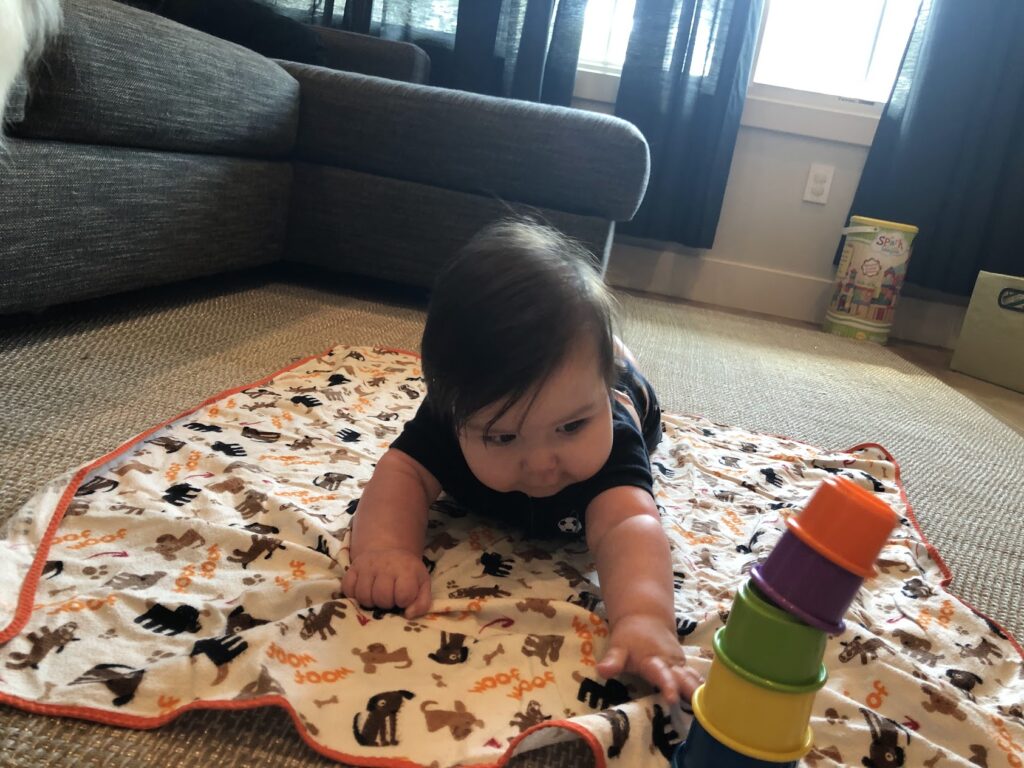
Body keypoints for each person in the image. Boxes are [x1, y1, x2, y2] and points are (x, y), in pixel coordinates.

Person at [341, 219, 700, 704]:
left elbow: (630, 522)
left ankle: (613, 358)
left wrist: (643, 618)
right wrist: (385, 550)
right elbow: (402, 473)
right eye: (504, 436)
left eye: (571, 427)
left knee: (613, 372)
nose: (543, 464)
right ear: (453, 412)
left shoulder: (610, 433)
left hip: (624, 393)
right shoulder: (451, 417)